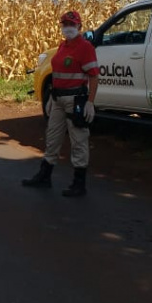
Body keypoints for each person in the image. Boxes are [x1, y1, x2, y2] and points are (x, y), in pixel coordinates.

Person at [22, 10, 99, 196]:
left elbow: (94, 76)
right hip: (57, 99)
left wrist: (90, 102)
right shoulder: (63, 46)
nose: (68, 28)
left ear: (79, 26)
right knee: (52, 137)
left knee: (78, 140)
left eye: (72, 25)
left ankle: (79, 183)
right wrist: (50, 99)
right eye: (65, 24)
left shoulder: (85, 47)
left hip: (75, 100)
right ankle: (44, 176)